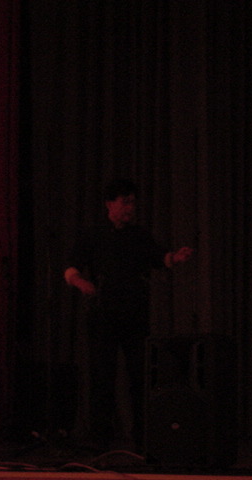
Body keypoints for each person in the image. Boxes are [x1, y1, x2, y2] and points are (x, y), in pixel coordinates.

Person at [64, 178, 193, 453]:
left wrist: (175, 258)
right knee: (102, 375)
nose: (130, 208)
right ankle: (100, 437)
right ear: (109, 204)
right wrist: (81, 282)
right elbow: (71, 267)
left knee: (140, 374)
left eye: (133, 203)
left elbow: (159, 257)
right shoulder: (93, 234)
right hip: (103, 313)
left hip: (135, 313)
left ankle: (143, 436)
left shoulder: (139, 235)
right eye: (125, 202)